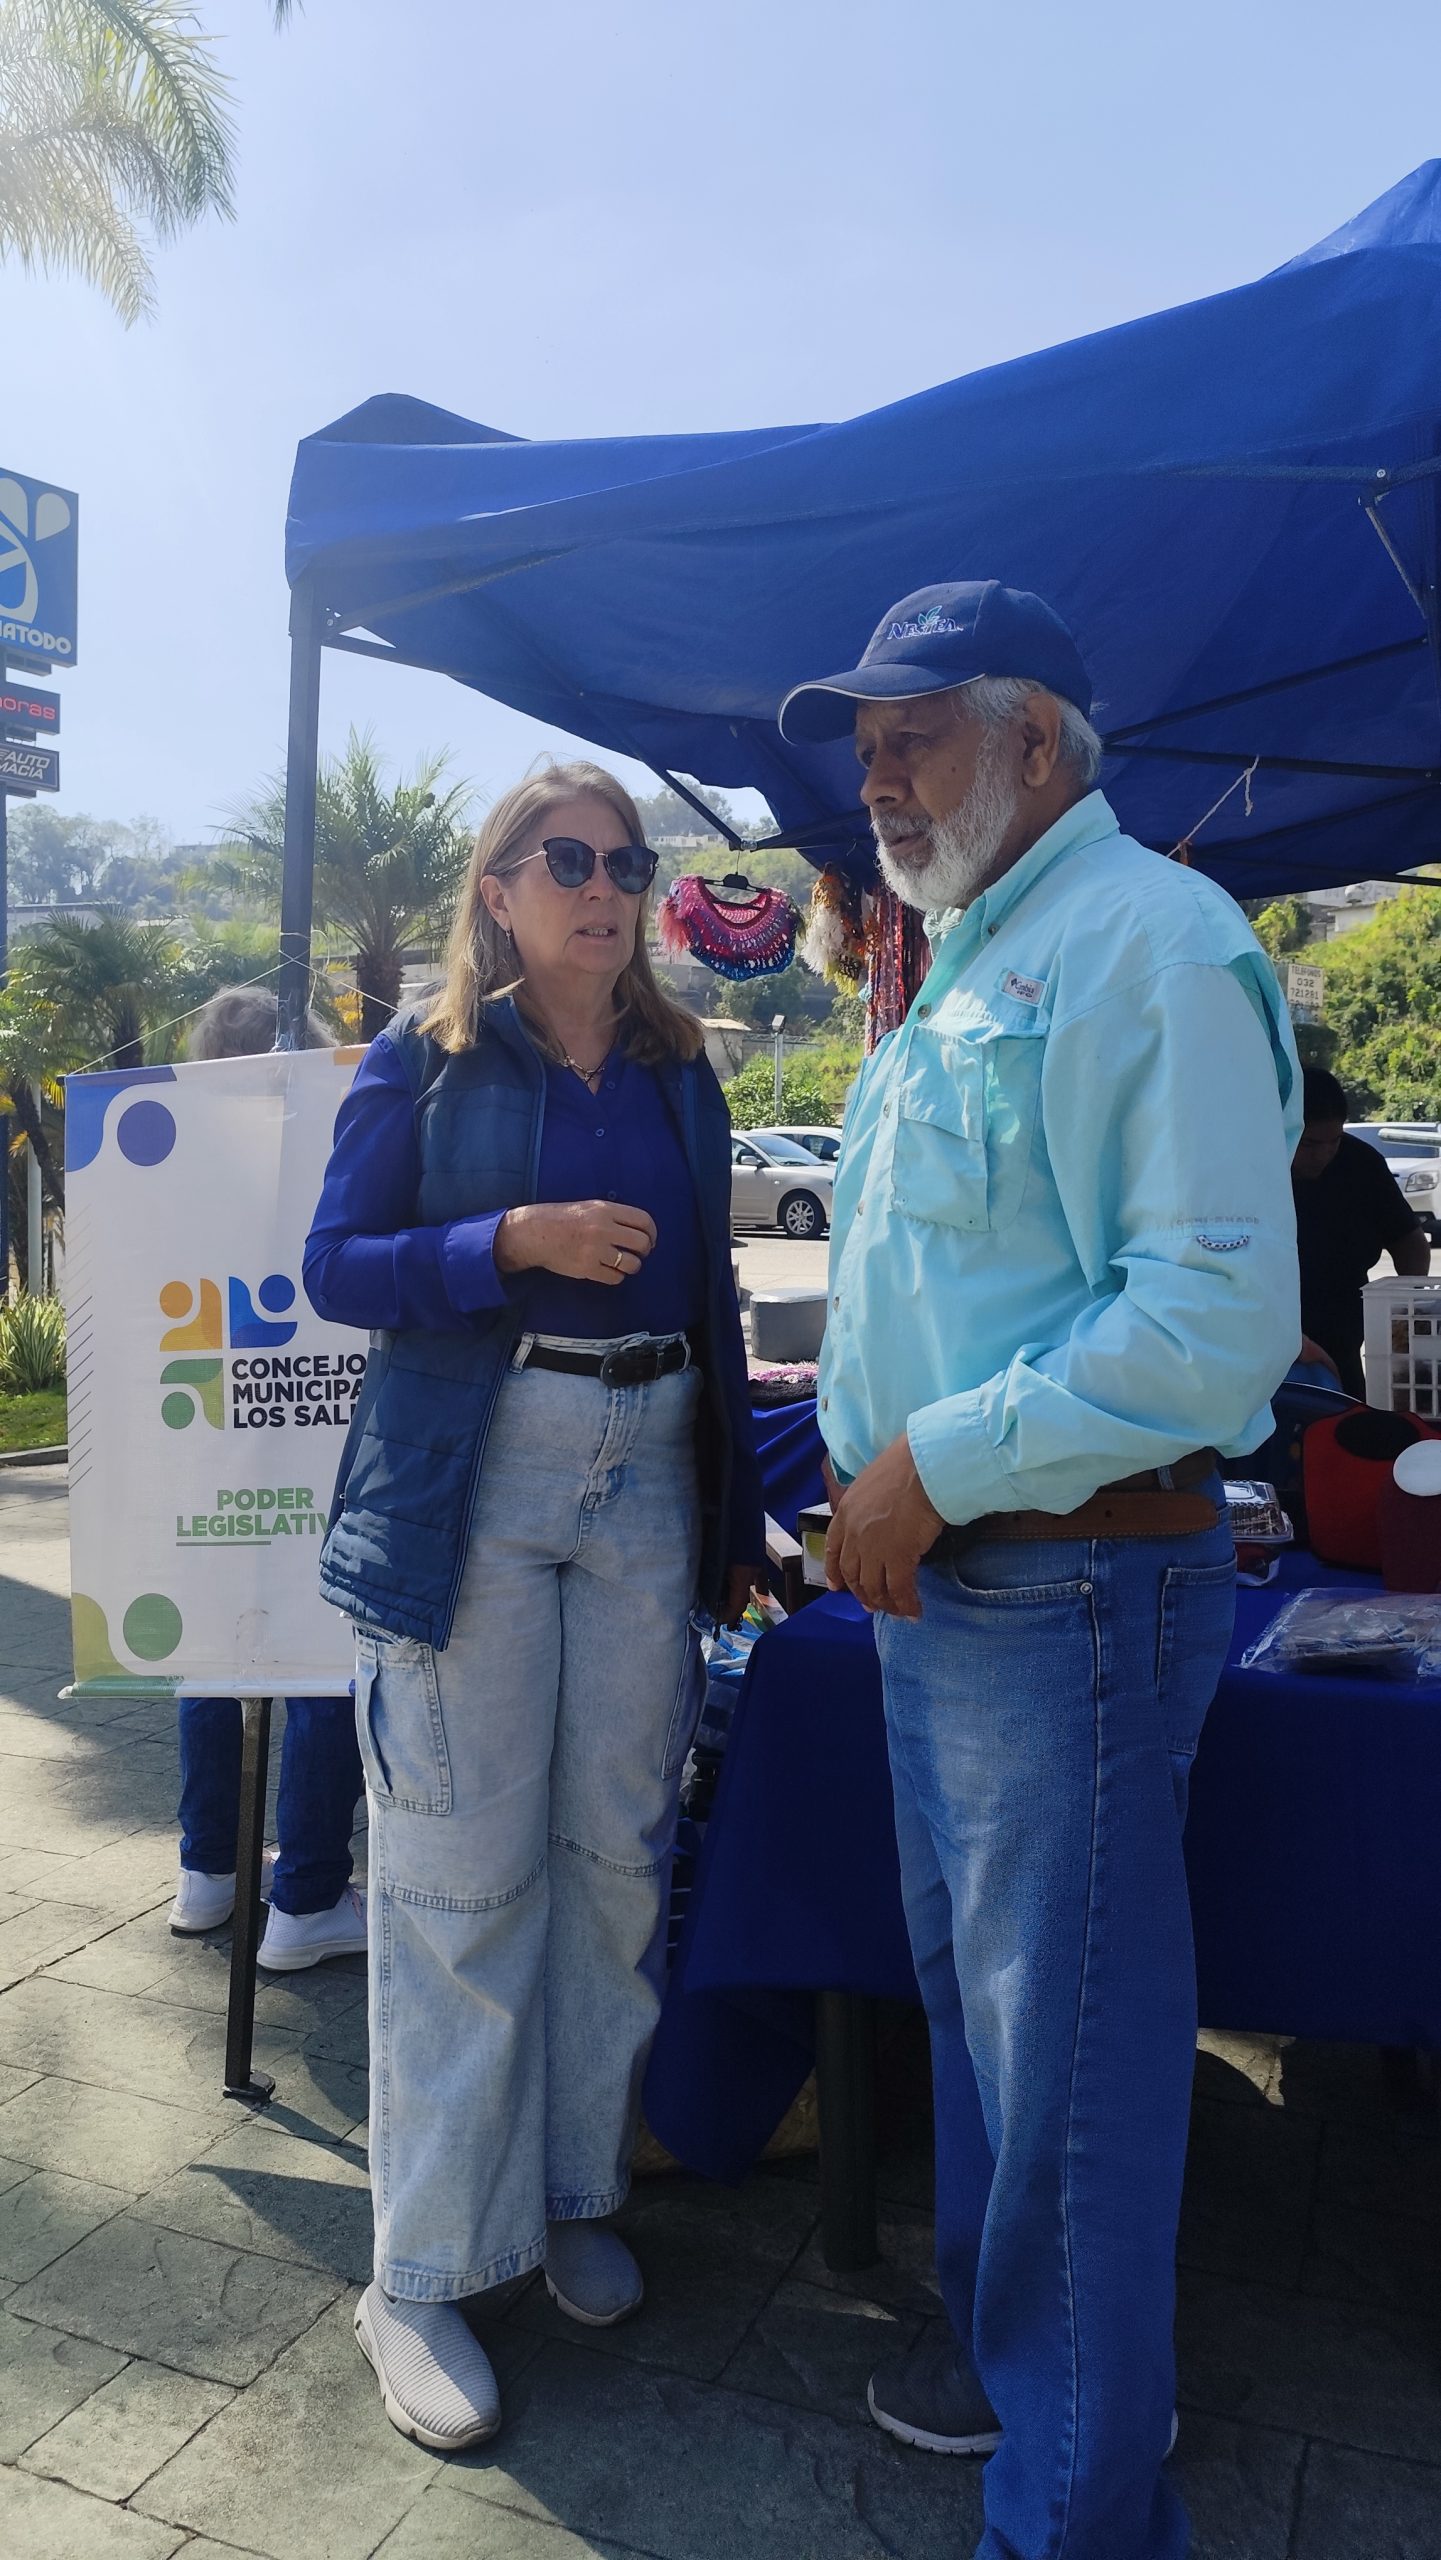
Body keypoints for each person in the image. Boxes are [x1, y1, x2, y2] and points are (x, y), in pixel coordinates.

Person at [778, 582, 1301, 2560]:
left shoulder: (1152, 940)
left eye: (918, 728)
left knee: (1064, 2076)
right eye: (868, 736)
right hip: (962, 1598)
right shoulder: (975, 950)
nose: (876, 770)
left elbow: (1213, 1324)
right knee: (998, 2036)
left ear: (1042, 746)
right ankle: (1034, 2402)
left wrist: (929, 1459)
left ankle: (1076, 2513)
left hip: (1061, 1589)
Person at [303, 760, 765, 2453]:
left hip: (646, 1468)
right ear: (495, 889)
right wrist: (506, 1238)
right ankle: (417, 2271)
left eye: (626, 862)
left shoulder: (681, 1070)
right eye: (563, 857)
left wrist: (735, 1511)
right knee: (452, 1877)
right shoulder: (418, 1058)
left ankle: (573, 2190)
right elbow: (333, 1265)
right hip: (478, 1474)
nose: (603, 884)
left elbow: (711, 1294)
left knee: (612, 1863)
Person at [168, 986, 367, 1972]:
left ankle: (208, 1872)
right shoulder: (334, 1156)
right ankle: (309, 1894)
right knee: (326, 1656)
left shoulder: (168, 1169)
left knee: (215, 1650)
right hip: (319, 1443)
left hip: (204, 1442)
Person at [1292, 1065, 1429, 1398]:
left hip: (1343, 1335)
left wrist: (1405, 1311)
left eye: (1334, 1141)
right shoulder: (1250, 1167)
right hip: (1269, 1335)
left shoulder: (1360, 1163)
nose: (1323, 1154)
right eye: (1309, 1143)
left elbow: (1409, 1240)